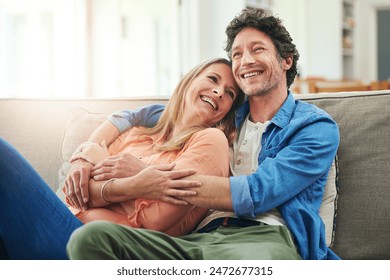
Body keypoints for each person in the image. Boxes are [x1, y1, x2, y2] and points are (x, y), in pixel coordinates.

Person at [66, 9, 340, 260]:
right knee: (91, 239)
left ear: (286, 60)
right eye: (236, 54)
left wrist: (149, 176)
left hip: (264, 238)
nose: (246, 61)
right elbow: (139, 116)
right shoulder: (224, 114)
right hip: (200, 237)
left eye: (257, 50)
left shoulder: (314, 128)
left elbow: (257, 193)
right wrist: (84, 156)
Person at [0, 57, 243, 259]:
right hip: (66, 218)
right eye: (213, 79)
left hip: (93, 244)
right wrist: (138, 186)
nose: (219, 92)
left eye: (230, 93)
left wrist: (129, 177)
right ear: (190, 80)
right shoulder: (137, 133)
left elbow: (157, 220)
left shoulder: (211, 141)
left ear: (228, 111)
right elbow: (83, 192)